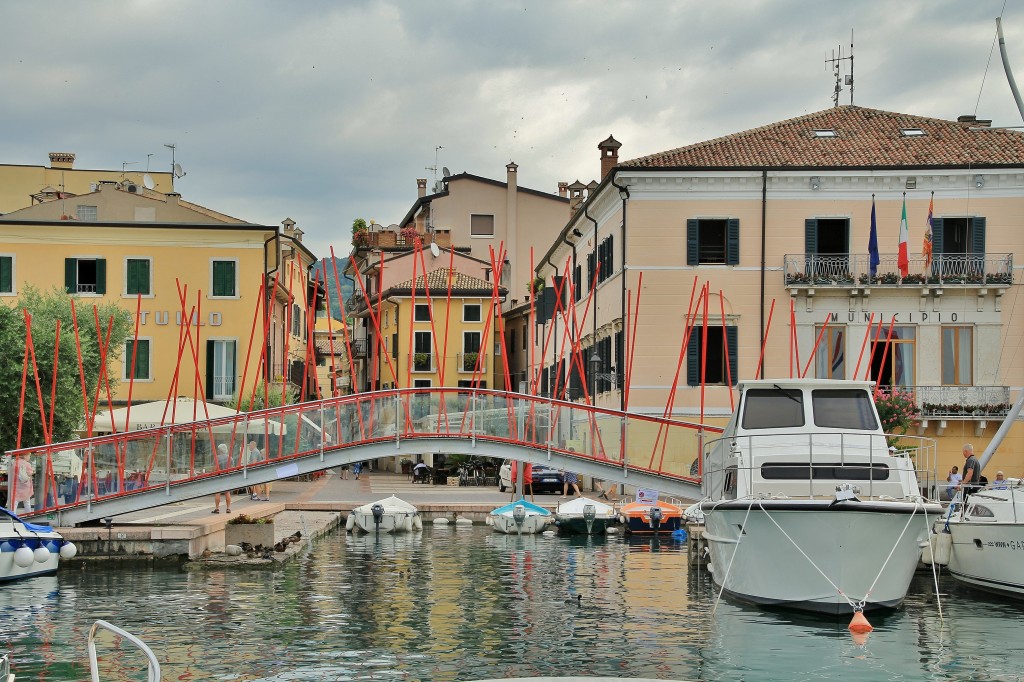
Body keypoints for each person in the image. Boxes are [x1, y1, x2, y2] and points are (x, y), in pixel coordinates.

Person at [212, 444, 232, 514]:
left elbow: (214, 469)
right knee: (227, 493)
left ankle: (217, 508)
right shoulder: (230, 458)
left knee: (218, 493)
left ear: (220, 450)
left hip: (219, 477)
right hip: (227, 477)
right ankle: (228, 508)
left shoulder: (216, 458)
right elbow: (231, 469)